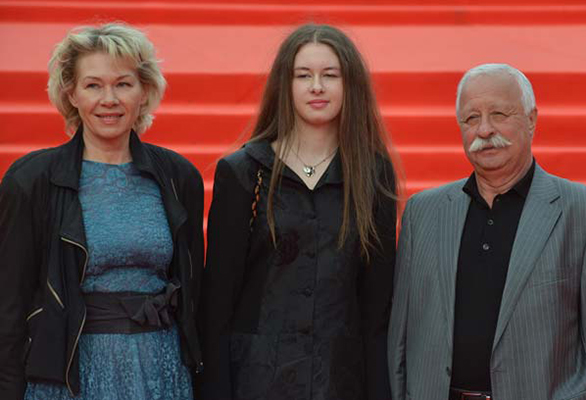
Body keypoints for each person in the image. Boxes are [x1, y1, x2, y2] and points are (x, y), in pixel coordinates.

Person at [388, 63, 586, 400]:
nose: (484, 130)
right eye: (471, 118)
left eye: (499, 114)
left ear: (531, 119)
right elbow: (400, 340)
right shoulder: (422, 213)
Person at [0, 23, 204, 400]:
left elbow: (196, 293)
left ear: (144, 91)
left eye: (123, 84)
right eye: (93, 85)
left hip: (162, 370)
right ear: (71, 94)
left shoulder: (179, 176)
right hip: (70, 375)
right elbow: (8, 304)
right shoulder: (31, 180)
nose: (109, 99)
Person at [197, 23, 397, 400]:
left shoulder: (373, 173)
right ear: (284, 85)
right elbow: (218, 301)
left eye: (330, 75)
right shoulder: (243, 172)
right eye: (303, 75)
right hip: (255, 381)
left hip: (340, 381)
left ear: (350, 84)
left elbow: (376, 308)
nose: (316, 86)